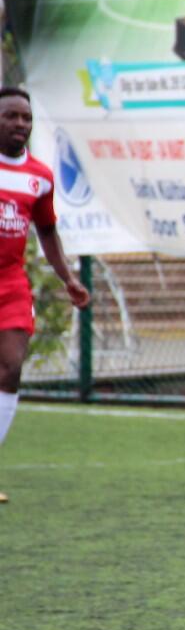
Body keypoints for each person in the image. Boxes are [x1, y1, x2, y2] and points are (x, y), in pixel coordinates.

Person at [0, 88, 91, 500]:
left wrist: (68, 278)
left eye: (26, 118)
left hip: (10, 284)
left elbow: (48, 231)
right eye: (11, 116)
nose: (21, 124)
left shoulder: (39, 176)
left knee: (10, 368)